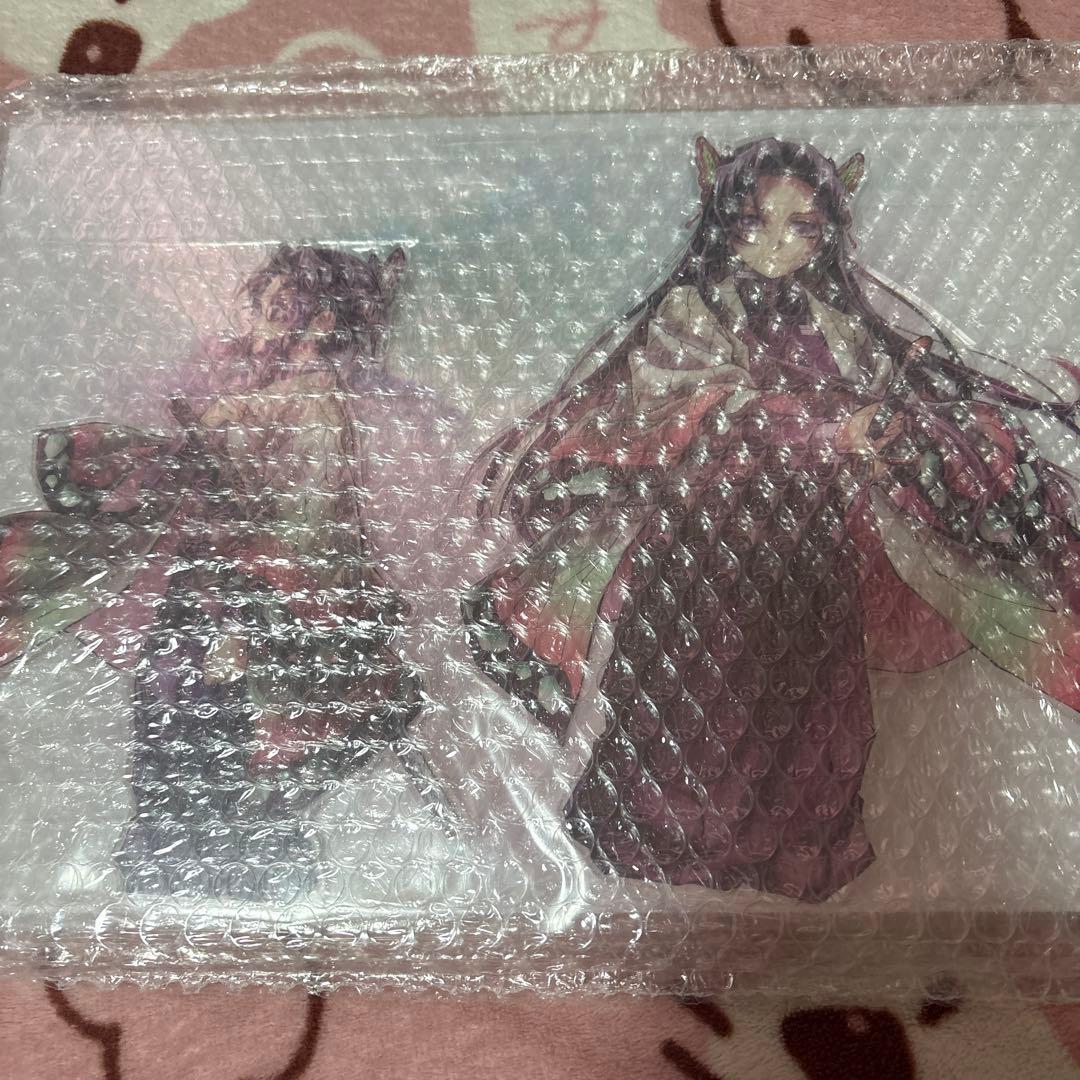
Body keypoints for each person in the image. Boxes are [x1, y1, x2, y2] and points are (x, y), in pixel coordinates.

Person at [462, 137, 1080, 903]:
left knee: (810, 714)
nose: (776, 245)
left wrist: (914, 414)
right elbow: (698, 407)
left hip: (811, 549)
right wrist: (829, 428)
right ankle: (668, 845)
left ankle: (782, 855)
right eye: (755, 223)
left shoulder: (838, 324)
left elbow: (876, 396)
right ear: (723, 226)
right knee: (697, 709)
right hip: (704, 549)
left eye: (801, 226)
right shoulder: (692, 313)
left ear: (827, 235)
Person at [0, 244, 424, 900]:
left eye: (278, 310)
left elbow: (304, 537)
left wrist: (247, 609)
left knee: (202, 730)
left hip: (247, 616)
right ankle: (184, 859)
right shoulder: (277, 403)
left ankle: (211, 864)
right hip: (215, 602)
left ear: (318, 324)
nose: (258, 327)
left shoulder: (306, 409)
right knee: (178, 720)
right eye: (262, 307)